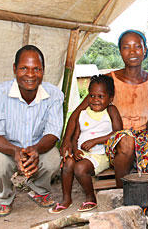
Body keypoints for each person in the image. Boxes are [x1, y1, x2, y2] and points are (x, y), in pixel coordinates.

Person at [61, 30, 148, 189]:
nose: (132, 51)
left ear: (145, 50)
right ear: (120, 51)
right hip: (116, 142)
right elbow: (78, 112)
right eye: (126, 47)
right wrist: (67, 141)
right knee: (126, 139)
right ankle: (122, 191)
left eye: (137, 46)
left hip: (145, 140)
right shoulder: (110, 80)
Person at [0, 45, 63, 217]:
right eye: (24, 68)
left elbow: (53, 132)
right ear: (14, 69)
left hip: (38, 148)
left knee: (53, 159)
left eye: (36, 69)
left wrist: (36, 150)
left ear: (43, 71)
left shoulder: (54, 94)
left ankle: (39, 190)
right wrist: (15, 151)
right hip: (6, 149)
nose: (30, 74)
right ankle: (4, 197)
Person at [49, 75, 122, 213]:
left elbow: (118, 133)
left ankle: (91, 198)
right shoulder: (83, 113)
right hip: (83, 153)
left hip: (100, 154)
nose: (95, 100)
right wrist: (75, 149)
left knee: (80, 168)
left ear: (110, 98)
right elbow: (75, 136)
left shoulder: (111, 111)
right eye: (92, 96)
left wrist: (95, 141)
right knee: (68, 163)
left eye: (100, 96)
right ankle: (66, 199)